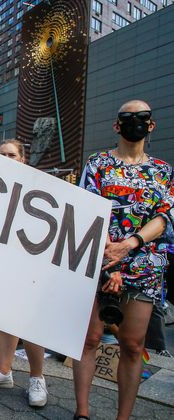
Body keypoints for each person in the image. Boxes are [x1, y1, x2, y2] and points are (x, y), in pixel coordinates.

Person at [73, 100, 173, 420]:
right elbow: (86, 204)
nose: (135, 123)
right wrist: (110, 253)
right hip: (99, 258)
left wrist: (130, 244)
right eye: (128, 118)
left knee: (132, 345)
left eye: (142, 118)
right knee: (88, 338)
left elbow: (165, 218)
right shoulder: (98, 163)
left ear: (151, 125)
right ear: (117, 126)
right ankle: (83, 412)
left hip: (143, 263)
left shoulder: (163, 171)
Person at [0, 139, 48, 408]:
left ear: (22, 159)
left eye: (11, 154)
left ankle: (37, 378)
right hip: (1, 259)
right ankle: (4, 372)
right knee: (6, 316)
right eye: (1, 153)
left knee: (30, 321)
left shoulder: (38, 186)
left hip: (30, 260)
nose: (6, 157)